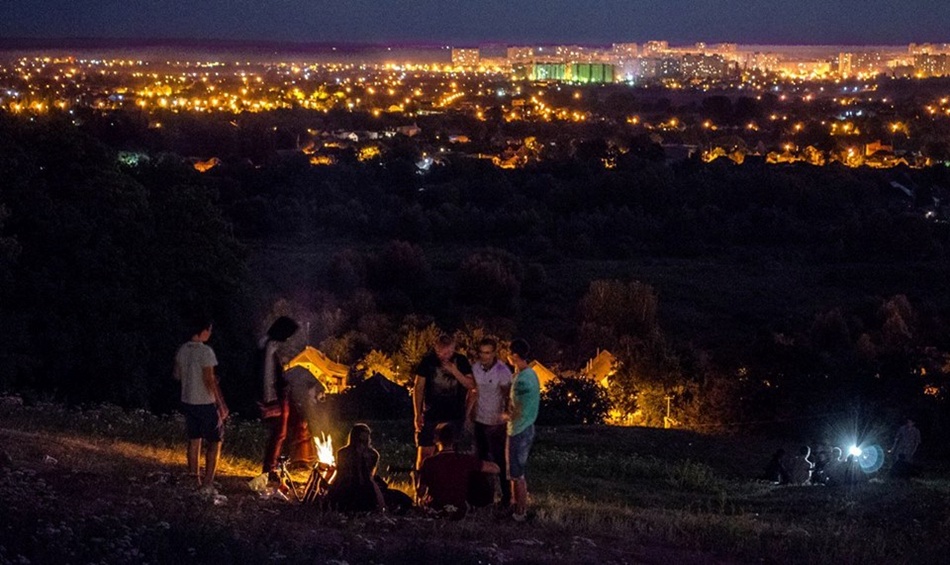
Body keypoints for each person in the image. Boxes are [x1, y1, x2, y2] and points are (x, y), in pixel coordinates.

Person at [173, 317, 228, 494]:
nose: (210, 333)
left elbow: (177, 375)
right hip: (205, 402)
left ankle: (193, 479)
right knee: (215, 441)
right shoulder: (206, 352)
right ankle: (207, 484)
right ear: (202, 331)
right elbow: (209, 379)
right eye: (209, 330)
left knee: (194, 439)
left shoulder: (183, 349)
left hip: (188, 400)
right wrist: (221, 404)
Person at [412, 334, 474, 471]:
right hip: (431, 414)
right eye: (443, 352)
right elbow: (418, 388)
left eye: (450, 352)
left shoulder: (461, 361)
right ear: (436, 349)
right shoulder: (428, 361)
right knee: (424, 455)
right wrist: (417, 413)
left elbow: (471, 385)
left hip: (454, 416)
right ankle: (421, 488)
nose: (446, 355)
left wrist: (455, 371)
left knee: (451, 456)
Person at [259, 316, 309, 481]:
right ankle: (269, 469)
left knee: (283, 432)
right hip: (277, 396)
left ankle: (274, 466)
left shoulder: (267, 344)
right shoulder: (269, 346)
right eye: (288, 335)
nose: (288, 339)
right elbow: (267, 374)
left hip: (281, 394)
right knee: (279, 433)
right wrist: (270, 398)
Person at [417, 423, 500, 516]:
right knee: (480, 473)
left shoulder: (429, 462)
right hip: (459, 509)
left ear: (436, 440)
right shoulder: (464, 460)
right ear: (455, 440)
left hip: (436, 508)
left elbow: (421, 491)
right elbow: (495, 468)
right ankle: (485, 504)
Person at [470, 337, 513, 507]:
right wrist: (470, 414)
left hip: (496, 423)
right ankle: (481, 496)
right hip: (480, 419)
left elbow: (507, 394)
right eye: (482, 353)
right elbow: (474, 392)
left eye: (488, 353)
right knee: (480, 459)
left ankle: (506, 496)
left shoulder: (502, 371)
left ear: (494, 353)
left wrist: (505, 413)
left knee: (500, 460)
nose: (484, 356)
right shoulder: (475, 368)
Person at [505, 338, 540, 522]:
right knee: (514, 472)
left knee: (517, 474)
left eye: (509, 353)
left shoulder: (521, 381)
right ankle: (514, 505)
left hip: (519, 428)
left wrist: (502, 416)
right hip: (526, 426)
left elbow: (516, 410)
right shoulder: (531, 374)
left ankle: (520, 512)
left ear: (515, 355)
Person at [327, 423, 385, 512]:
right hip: (346, 483)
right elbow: (341, 472)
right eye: (362, 434)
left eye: (367, 434)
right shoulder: (343, 452)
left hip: (365, 485)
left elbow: (370, 473)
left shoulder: (372, 454)